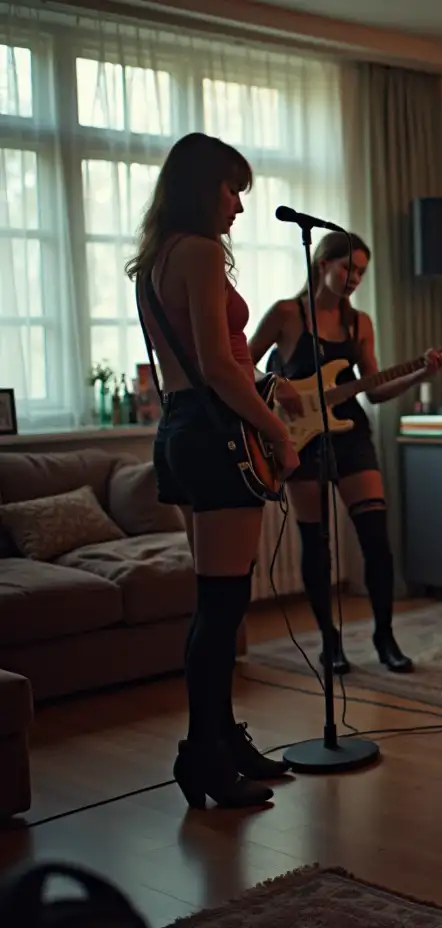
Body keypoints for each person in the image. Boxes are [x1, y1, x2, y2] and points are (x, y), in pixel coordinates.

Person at [126, 132, 300, 809]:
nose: (239, 207)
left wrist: (261, 384)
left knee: (215, 605)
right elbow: (218, 368)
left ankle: (222, 740)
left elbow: (202, 365)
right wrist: (278, 432)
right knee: (223, 607)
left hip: (180, 429)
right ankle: (203, 753)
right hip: (214, 432)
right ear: (204, 188)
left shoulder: (156, 259)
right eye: (233, 191)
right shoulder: (198, 252)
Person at [248, 231, 442, 675]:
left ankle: (385, 637)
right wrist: (274, 383)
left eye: (361, 271)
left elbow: (373, 390)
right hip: (299, 437)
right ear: (322, 264)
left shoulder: (360, 324)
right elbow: (245, 360)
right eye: (348, 268)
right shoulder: (286, 313)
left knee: (376, 538)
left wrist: (417, 376)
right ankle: (329, 642)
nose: (354, 278)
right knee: (316, 543)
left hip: (350, 432)